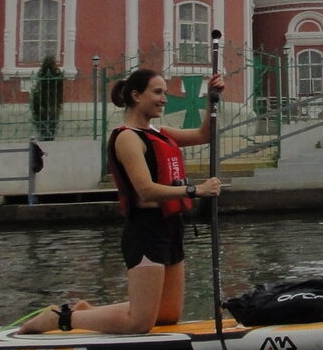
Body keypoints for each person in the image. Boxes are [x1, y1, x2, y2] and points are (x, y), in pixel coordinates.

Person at [18, 67, 224, 334]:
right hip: (146, 231)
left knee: (167, 316)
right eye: (158, 92)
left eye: (165, 93)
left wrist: (212, 99)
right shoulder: (127, 137)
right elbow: (145, 191)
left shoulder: (158, 132)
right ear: (137, 96)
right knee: (139, 324)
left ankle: (88, 312)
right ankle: (58, 318)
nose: (164, 99)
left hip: (172, 227)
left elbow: (203, 135)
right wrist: (195, 191)